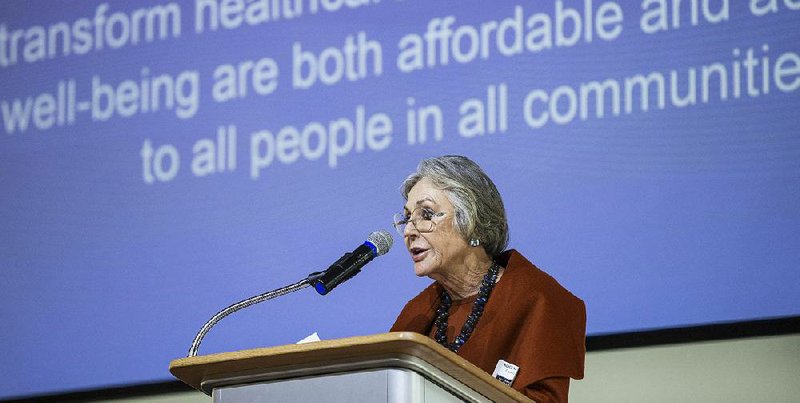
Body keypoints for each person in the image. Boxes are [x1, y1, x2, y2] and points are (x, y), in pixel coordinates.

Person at [390, 155, 586, 402]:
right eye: (407, 217)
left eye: (426, 214)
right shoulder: (417, 313)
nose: (408, 230)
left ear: (471, 221)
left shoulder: (538, 301)